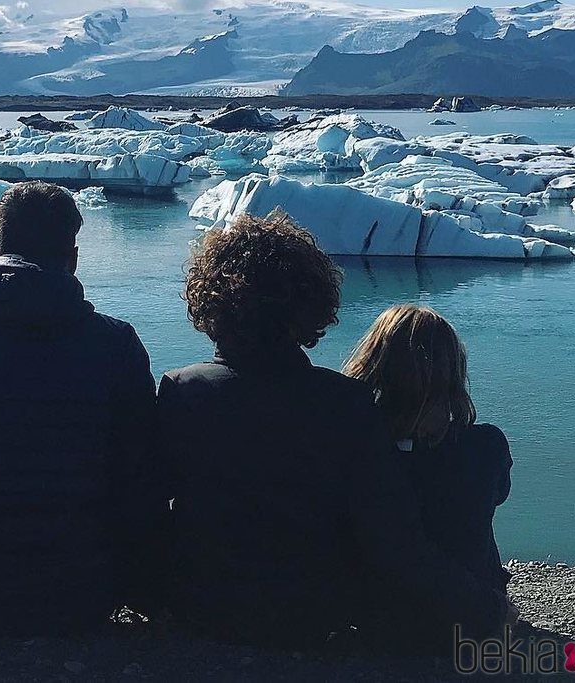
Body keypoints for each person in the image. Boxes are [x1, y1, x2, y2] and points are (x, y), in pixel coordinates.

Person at [157, 212, 510, 650]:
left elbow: (151, 501)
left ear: (211, 303)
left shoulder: (182, 388)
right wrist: (485, 608)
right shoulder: (344, 402)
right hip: (311, 614)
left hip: (200, 606)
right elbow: (395, 540)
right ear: (309, 305)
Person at [0, 181, 163, 635]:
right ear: (73, 257)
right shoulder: (115, 346)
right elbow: (141, 475)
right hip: (88, 589)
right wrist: (140, 587)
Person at [343, 304, 512, 592]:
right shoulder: (486, 446)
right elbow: (498, 496)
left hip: (370, 605)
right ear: (455, 371)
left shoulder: (352, 447)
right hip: (470, 603)